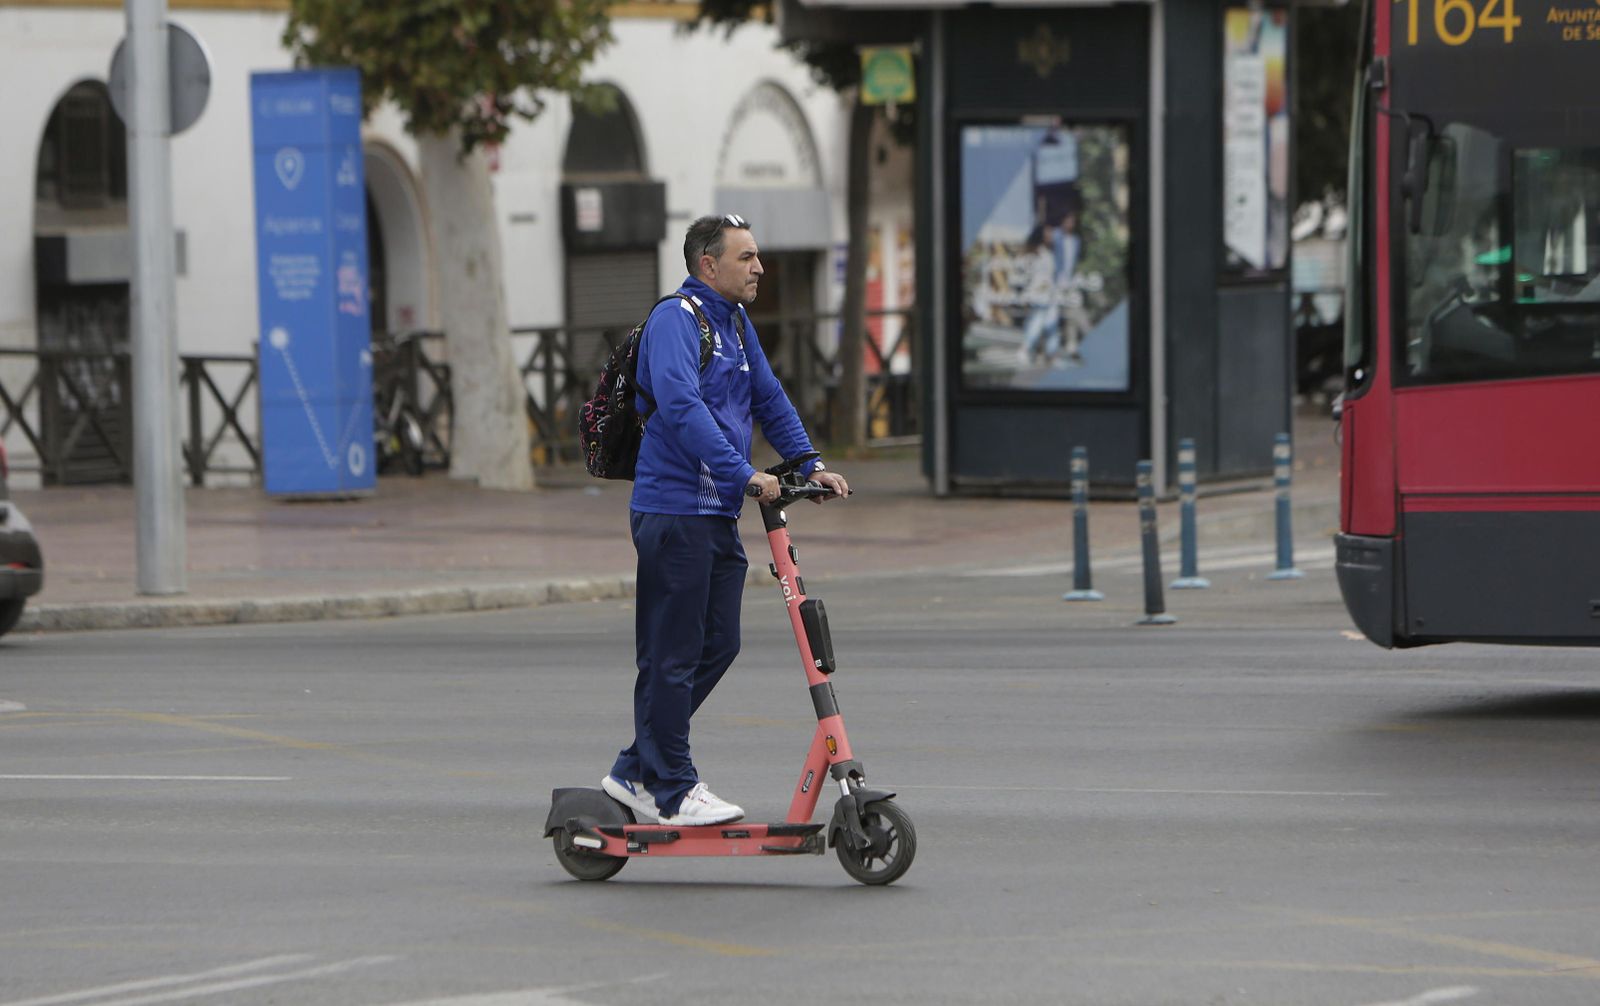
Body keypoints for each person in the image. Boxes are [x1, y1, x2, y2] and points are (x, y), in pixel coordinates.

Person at [601, 213, 850, 827]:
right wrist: (745, 475)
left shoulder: (735, 324)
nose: (760, 267)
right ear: (708, 265)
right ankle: (671, 787)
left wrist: (807, 462)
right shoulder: (675, 321)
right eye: (747, 258)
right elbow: (682, 408)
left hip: (713, 514)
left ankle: (637, 769)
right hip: (673, 512)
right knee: (672, 653)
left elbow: (768, 397)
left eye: (758, 256)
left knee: (719, 643)